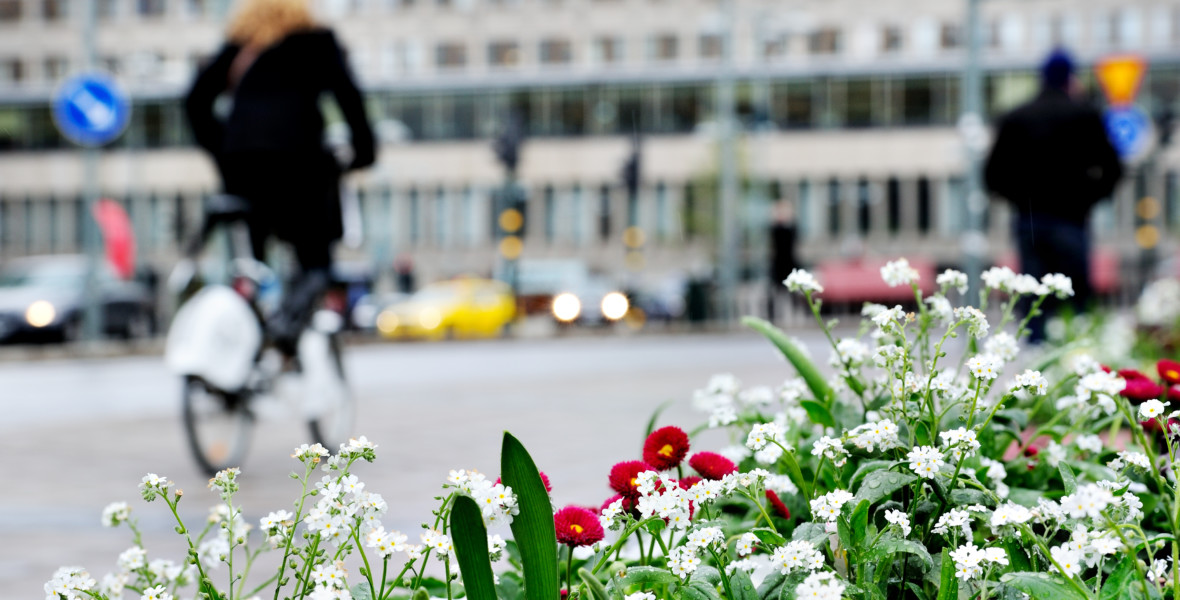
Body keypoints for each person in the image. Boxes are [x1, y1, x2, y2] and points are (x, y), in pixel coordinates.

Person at [185, 0, 376, 355]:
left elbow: (195, 101)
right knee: (316, 261)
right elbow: (350, 98)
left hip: (243, 170)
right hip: (299, 167)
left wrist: (223, 149)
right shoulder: (316, 42)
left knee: (251, 263)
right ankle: (287, 327)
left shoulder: (237, 47)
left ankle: (247, 347)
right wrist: (364, 152)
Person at [984, 48, 1122, 342]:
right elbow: (1113, 168)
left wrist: (1021, 201)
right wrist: (1090, 198)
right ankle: (1076, 362)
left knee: (1034, 300)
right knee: (1076, 298)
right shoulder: (1085, 115)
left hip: (1029, 222)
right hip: (1072, 218)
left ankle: (1035, 371)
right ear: (1070, 77)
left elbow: (992, 176)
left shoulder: (1017, 117)